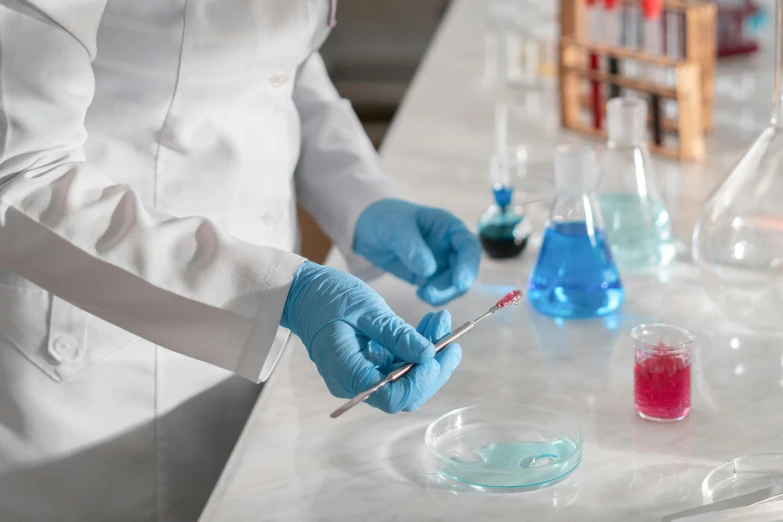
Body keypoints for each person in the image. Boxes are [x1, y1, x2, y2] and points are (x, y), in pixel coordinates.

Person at [0, 1, 481, 521]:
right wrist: (272, 294)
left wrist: (358, 192)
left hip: (263, 332)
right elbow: (23, 175)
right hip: (99, 357)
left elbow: (278, 66)